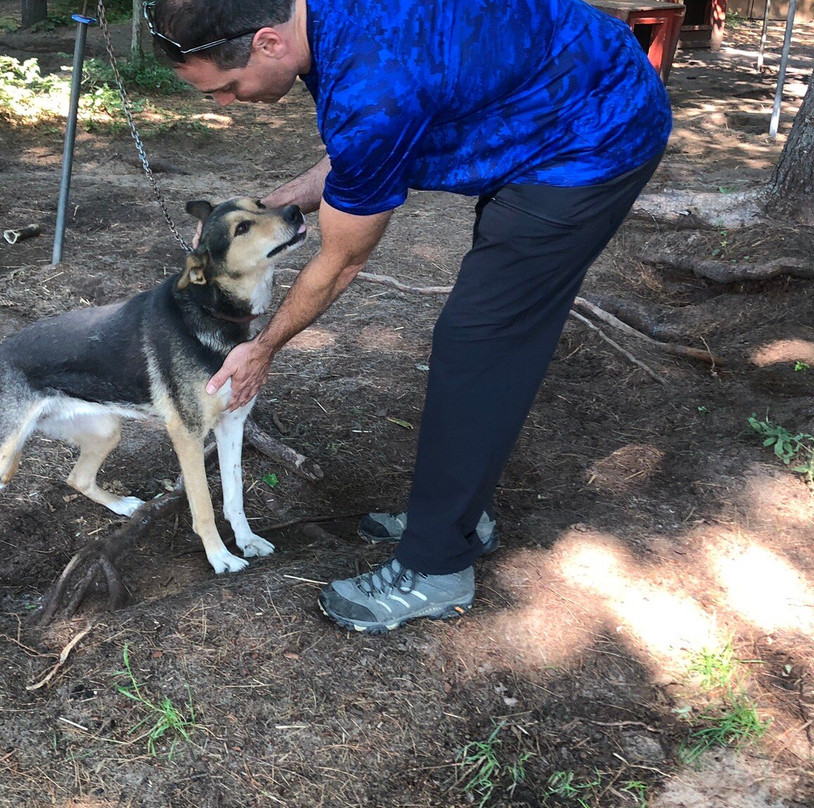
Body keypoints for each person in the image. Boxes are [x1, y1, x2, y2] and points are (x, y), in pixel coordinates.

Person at [145, 0, 672, 634]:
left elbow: (341, 262)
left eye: (227, 87)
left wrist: (263, 347)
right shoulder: (326, 28)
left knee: (479, 346)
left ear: (268, 43)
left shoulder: (371, 83)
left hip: (595, 133)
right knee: (482, 339)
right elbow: (357, 151)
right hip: (546, 93)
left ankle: (437, 565)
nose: (227, 104)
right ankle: (452, 513)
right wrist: (272, 205)